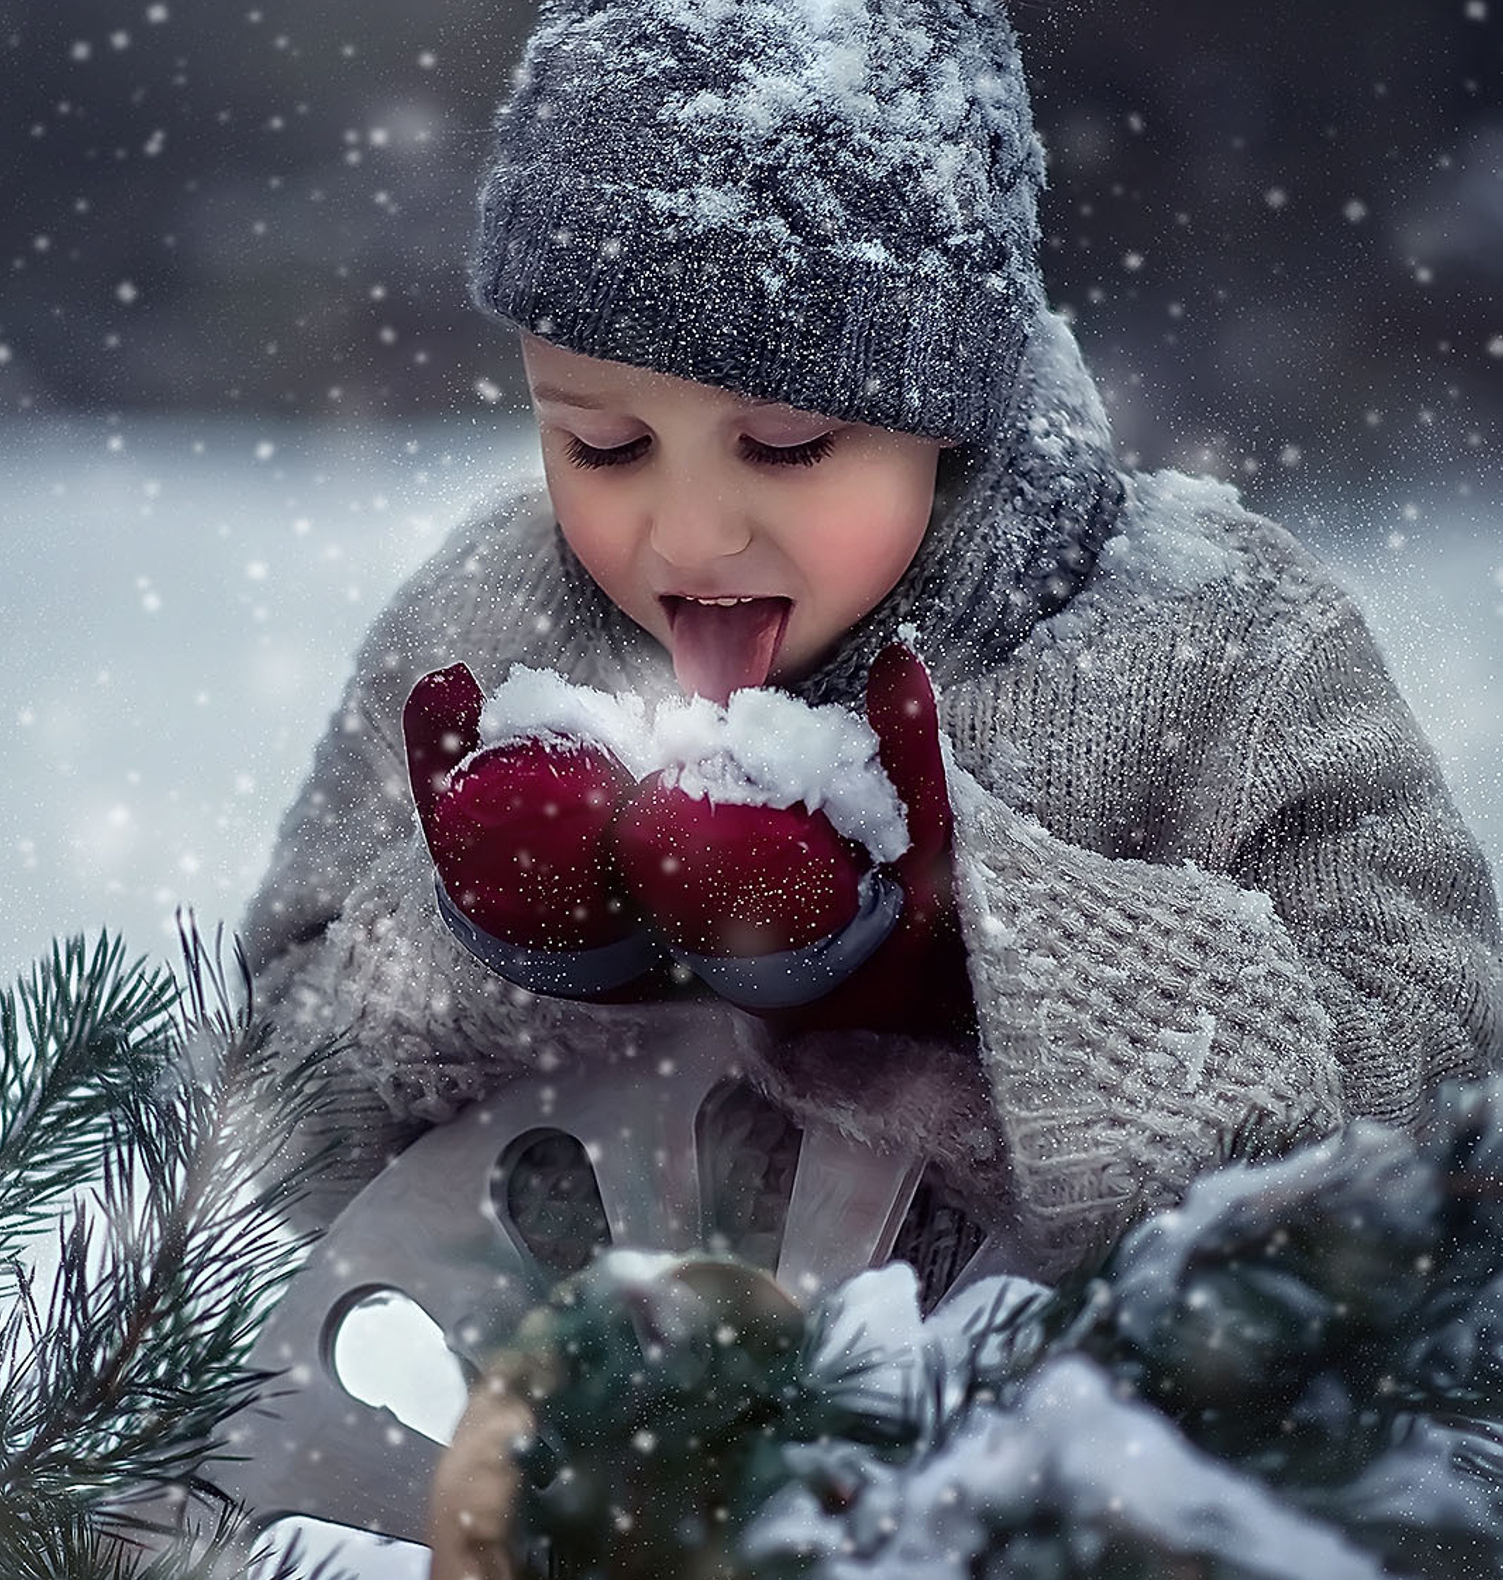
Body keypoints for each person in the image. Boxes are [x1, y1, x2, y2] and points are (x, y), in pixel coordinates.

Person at [238, 0, 1503, 1301]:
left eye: (785, 447)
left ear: (949, 413)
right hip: (557, 1474)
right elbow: (266, 1136)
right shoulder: (487, 620)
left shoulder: (1226, 649)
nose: (689, 533)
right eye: (601, 446)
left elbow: (1443, 1104)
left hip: (1069, 1478)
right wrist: (476, 951)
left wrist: (962, 959)